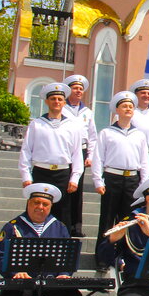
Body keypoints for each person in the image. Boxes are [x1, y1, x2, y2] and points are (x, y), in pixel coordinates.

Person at [18, 82, 85, 233]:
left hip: (62, 174)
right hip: (41, 172)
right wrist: (26, 176)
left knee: (63, 216)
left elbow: (76, 155)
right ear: (47, 101)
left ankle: (62, 252)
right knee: (36, 212)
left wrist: (74, 178)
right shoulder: (37, 124)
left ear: (64, 102)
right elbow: (26, 151)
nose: (56, 102)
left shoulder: (72, 126)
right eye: (53, 99)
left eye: (60, 99)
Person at [92, 91, 149, 255]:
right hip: (112, 178)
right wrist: (98, 181)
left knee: (129, 221)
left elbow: (144, 162)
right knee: (107, 220)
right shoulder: (106, 133)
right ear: (117, 110)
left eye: (131, 106)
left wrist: (143, 185)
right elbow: (98, 158)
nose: (128, 109)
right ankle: (103, 256)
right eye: (124, 106)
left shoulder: (139, 134)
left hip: (132, 179)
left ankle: (124, 257)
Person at [63, 74, 97, 238]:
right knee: (64, 187)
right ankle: (62, 224)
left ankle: (76, 226)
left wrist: (90, 155)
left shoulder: (87, 112)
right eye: (75, 88)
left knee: (77, 190)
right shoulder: (62, 108)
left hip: (81, 152)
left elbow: (92, 136)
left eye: (81, 89)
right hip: (64, 151)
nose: (78, 91)